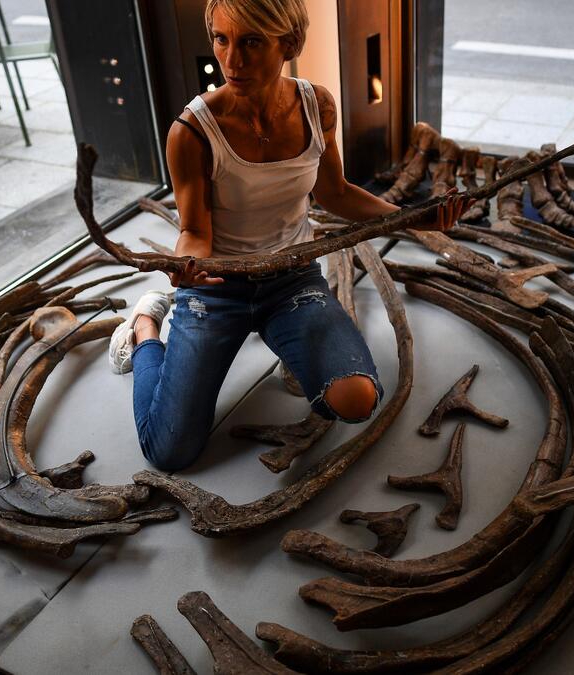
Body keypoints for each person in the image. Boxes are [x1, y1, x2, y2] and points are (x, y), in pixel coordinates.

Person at [109, 0, 468, 472]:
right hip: (217, 288)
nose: (232, 60)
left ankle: (290, 341)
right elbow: (194, 231)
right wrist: (187, 267)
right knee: (168, 450)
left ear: (290, 44)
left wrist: (413, 217)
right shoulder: (192, 131)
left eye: (251, 42)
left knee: (357, 399)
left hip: (292, 280)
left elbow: (336, 193)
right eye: (221, 40)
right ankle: (144, 327)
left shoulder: (317, 106)